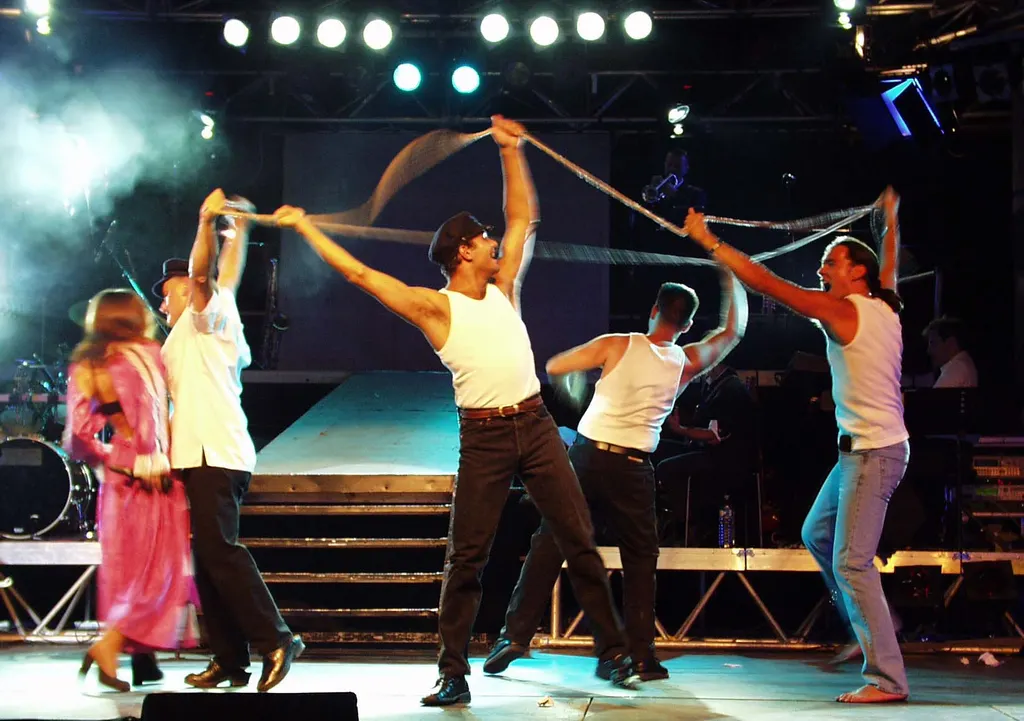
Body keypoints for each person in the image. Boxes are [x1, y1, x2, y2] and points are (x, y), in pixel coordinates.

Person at [273, 115, 638, 707]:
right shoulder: (434, 308)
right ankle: (452, 672)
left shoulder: (503, 287)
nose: (496, 242)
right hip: (485, 439)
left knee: (578, 536)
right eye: (484, 238)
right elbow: (359, 273)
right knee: (466, 557)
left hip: (536, 427)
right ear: (465, 250)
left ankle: (614, 653)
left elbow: (523, 218)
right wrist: (304, 228)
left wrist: (510, 150)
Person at [682, 187, 910, 704]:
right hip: (862, 452)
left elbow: (769, 283)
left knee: (852, 562)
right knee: (816, 533)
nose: (821, 269)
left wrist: (708, 241)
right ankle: (874, 624)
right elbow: (890, 262)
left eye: (831, 262)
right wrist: (890, 220)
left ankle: (887, 679)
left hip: (872, 453)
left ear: (857, 273)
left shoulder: (847, 310)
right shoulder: (884, 302)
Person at [483, 270, 747, 681]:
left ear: (654, 310)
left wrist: (574, 385)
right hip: (634, 468)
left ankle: (515, 636)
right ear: (688, 325)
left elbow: (556, 364)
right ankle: (640, 655)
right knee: (640, 561)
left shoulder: (618, 344)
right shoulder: (686, 362)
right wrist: (732, 275)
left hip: (588, 457)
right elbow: (733, 331)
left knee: (550, 541)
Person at [155, 190, 303, 693]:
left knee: (221, 552)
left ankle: (277, 639)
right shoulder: (211, 319)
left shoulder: (206, 317)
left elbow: (206, 277)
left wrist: (205, 222)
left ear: (188, 292)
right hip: (203, 453)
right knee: (209, 558)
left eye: (168, 293)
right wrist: (237, 232)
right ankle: (229, 659)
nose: (163, 302)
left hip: (214, 452)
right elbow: (227, 276)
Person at [64, 289, 196, 691]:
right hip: (153, 478)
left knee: (133, 572)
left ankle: (143, 658)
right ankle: (110, 646)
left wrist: (114, 457)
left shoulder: (92, 363)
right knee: (158, 573)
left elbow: (77, 438)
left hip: (129, 478)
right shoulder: (151, 355)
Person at [656, 362, 758, 546]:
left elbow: (714, 435)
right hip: (707, 451)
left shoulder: (730, 389)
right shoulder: (716, 386)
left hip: (724, 459)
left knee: (667, 468)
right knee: (657, 448)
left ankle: (688, 525)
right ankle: (662, 517)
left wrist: (681, 430)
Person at [923, 316, 977, 388]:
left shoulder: (957, 368)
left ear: (951, 343)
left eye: (933, 343)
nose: (929, 351)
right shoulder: (964, 363)